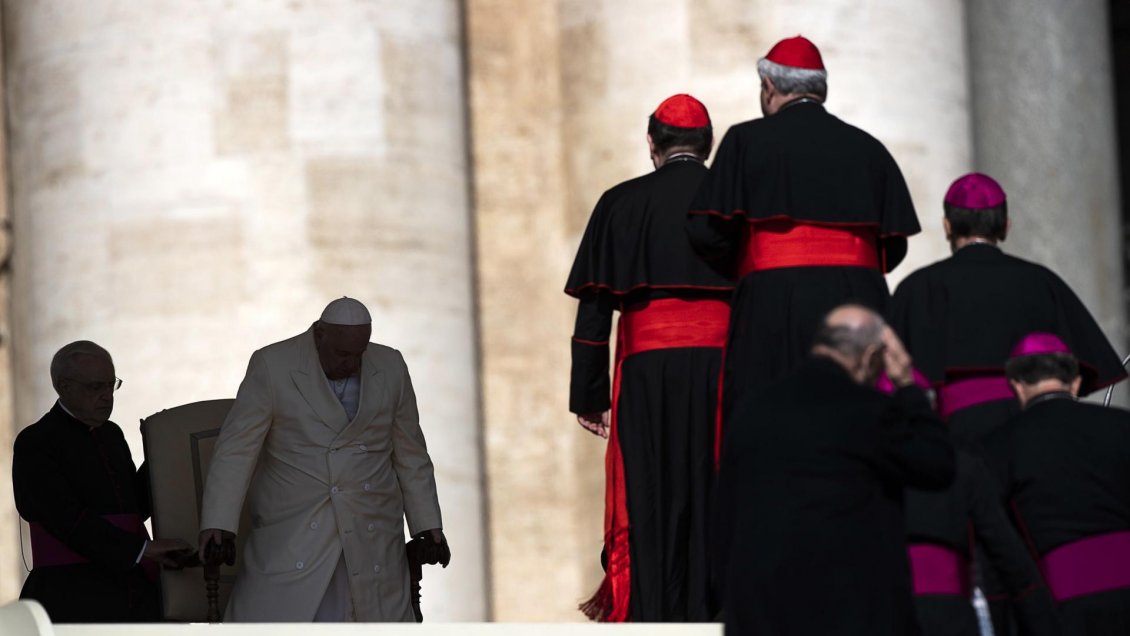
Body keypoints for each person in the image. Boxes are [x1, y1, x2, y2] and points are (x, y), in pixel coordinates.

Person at [687, 35, 920, 425]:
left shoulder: (746, 140)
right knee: (857, 421)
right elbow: (893, 247)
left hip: (771, 302)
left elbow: (706, 233)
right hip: (857, 298)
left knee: (771, 422)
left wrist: (746, 264)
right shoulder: (869, 147)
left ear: (770, 87)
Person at [566, 94, 732, 622]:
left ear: (651, 144)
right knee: (716, 489)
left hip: (645, 375)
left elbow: (594, 314)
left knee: (650, 499)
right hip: (722, 372)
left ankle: (654, 619)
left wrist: (589, 397)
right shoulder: (732, 203)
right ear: (707, 146)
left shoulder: (620, 202)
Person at [198, 297, 450, 622]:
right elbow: (237, 449)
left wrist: (427, 525)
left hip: (371, 525)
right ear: (320, 335)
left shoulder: (391, 365)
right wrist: (219, 524)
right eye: (343, 355)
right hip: (298, 528)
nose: (352, 365)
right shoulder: (274, 364)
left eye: (359, 355)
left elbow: (410, 452)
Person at [713, 305, 954, 636]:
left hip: (761, 609)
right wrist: (907, 385)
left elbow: (726, 513)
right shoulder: (870, 410)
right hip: (847, 608)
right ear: (871, 356)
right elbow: (938, 465)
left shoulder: (753, 410)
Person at [888, 172, 1125, 444]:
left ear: (947, 226)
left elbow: (894, 375)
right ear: (1005, 226)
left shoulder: (919, 287)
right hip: (1037, 429)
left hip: (958, 434)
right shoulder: (1041, 281)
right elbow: (1083, 366)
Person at [12, 341, 193, 622]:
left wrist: (158, 451)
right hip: (72, 592)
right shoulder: (36, 441)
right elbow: (62, 516)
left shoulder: (111, 434)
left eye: (111, 385)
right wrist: (141, 550)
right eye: (95, 387)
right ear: (64, 386)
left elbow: (131, 508)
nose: (107, 396)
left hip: (128, 587)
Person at [985, 333, 1130, 634]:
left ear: (1017, 386)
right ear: (1075, 382)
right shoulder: (1122, 425)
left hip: (1062, 603)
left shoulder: (998, 446)